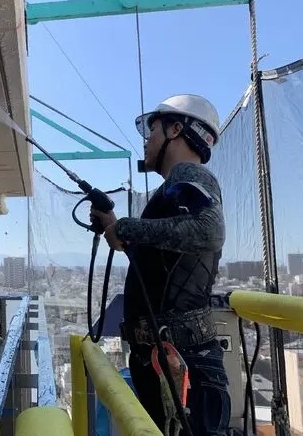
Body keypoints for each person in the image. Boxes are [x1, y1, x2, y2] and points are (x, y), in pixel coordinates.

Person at [91, 94, 231, 435]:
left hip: (181, 363)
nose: (147, 141)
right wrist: (116, 228)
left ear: (176, 129)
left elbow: (209, 230)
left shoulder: (188, 173)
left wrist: (127, 227)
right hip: (174, 358)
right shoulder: (175, 191)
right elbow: (162, 263)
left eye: (152, 131)